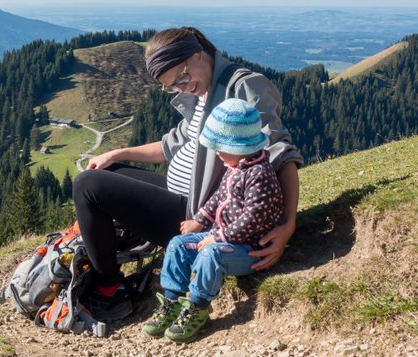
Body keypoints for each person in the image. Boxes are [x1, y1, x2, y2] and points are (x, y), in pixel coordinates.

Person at [73, 27, 303, 321]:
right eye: (172, 86)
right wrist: (117, 153)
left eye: (181, 78)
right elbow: (171, 146)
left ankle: (110, 292)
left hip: (199, 217)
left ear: (196, 54)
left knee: (87, 185)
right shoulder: (204, 90)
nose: (182, 87)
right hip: (182, 197)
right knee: (108, 171)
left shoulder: (244, 87)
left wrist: (288, 224)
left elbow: (280, 153)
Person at [143, 98, 284, 342]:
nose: (216, 152)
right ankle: (172, 301)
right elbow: (218, 197)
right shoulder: (235, 168)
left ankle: (198, 306)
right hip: (222, 237)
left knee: (212, 254)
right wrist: (199, 221)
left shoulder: (259, 175)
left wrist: (215, 237)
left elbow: (251, 220)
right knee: (178, 243)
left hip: (249, 249)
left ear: (239, 146)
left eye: (220, 147)